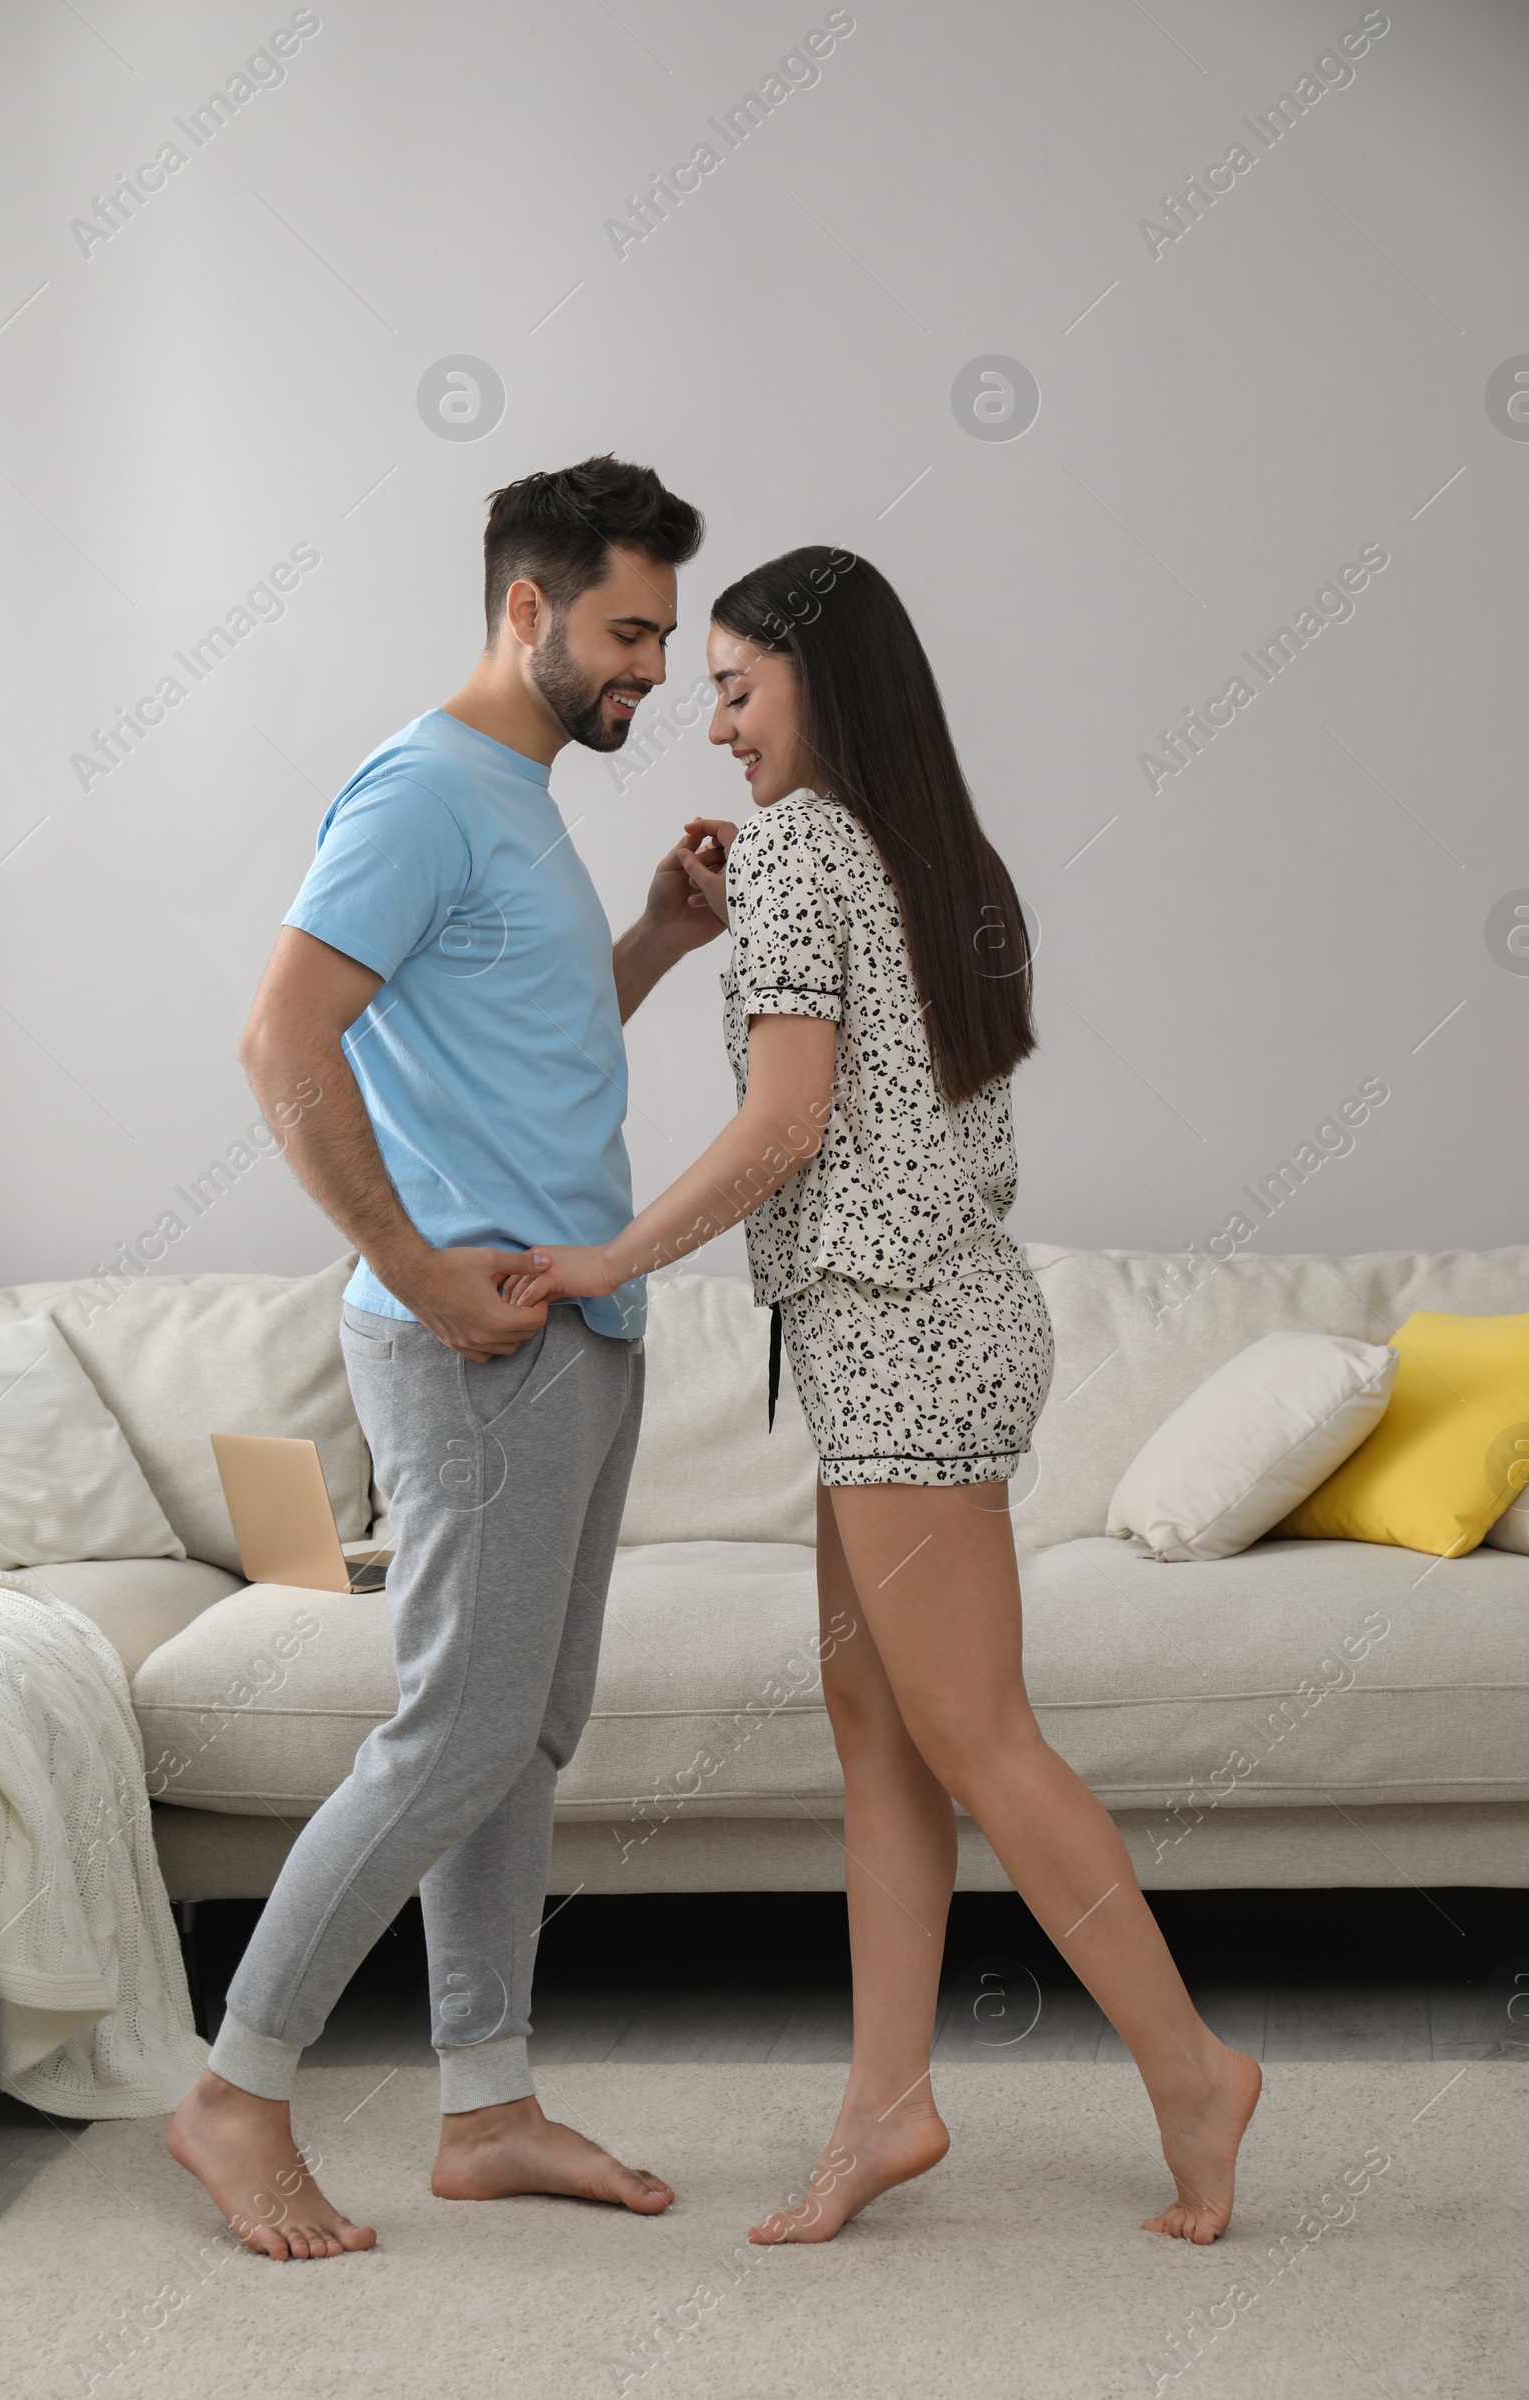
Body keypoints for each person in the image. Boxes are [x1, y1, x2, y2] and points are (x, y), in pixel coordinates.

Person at [507, 546, 1263, 2247]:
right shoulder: (931, 852)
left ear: (819, 690)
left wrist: (610, 1258)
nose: (711, 725)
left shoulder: (799, 855)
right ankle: (888, 2103)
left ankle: (1191, 2070)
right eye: (701, 687)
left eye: (736, 689)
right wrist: (694, 933)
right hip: (929, 1328)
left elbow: (785, 1129)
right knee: (883, 1732)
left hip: (901, 1341)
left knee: (976, 1733)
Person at [168, 456, 734, 2259]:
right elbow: (281, 1037)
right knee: (458, 1725)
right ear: (525, 607)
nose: (650, 668)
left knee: (521, 1735)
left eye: (663, 634)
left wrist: (653, 935)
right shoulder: (424, 789)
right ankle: (235, 2091)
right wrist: (413, 1272)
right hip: (475, 1340)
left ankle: (484, 2107)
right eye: (628, 630)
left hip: (576, 1324)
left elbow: (514, 1050)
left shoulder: (524, 796)